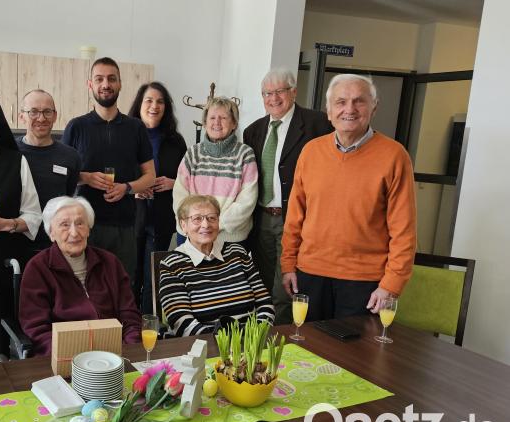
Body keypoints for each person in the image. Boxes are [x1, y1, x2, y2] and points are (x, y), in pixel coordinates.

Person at [281, 74, 417, 320]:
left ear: (374, 107)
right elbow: (295, 217)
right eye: (340, 102)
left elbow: (404, 231)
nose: (349, 109)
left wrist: (391, 284)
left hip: (364, 282)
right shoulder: (311, 152)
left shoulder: (395, 156)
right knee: (306, 354)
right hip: (309, 275)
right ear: (329, 110)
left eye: (359, 101)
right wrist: (288, 264)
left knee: (356, 357)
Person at [243, 68, 334, 325]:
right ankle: (261, 332)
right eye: (267, 93)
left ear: (293, 92)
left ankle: (281, 337)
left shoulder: (319, 124)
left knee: (286, 283)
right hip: (261, 219)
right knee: (261, 281)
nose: (273, 98)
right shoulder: (253, 131)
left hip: (296, 219)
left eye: (279, 91)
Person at [62, 57, 155, 281]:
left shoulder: (136, 128)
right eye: (99, 79)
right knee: (83, 289)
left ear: (120, 84)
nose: (106, 84)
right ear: (90, 84)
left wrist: (127, 187)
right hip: (83, 226)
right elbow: (62, 176)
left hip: (124, 227)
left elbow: (150, 177)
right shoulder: (76, 127)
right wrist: (85, 177)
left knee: (121, 288)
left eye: (111, 79)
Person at [19, 196, 142, 356]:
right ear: (51, 233)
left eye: (80, 223)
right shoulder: (38, 268)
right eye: (64, 225)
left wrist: (129, 349)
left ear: (89, 228)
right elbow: (36, 328)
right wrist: (67, 355)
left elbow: (129, 314)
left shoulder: (110, 263)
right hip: (65, 355)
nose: (74, 232)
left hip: (114, 353)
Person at [158, 195, 274, 337]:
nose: (206, 225)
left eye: (212, 218)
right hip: (203, 347)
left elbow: (265, 303)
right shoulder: (172, 264)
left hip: (251, 343)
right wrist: (226, 342)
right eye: (197, 219)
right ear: (183, 226)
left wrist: (254, 336)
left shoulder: (237, 253)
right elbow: (181, 322)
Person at [127, 81, 187, 314]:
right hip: (131, 217)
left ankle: (147, 330)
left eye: (160, 101)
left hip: (161, 218)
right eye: (149, 100)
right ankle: (127, 330)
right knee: (130, 276)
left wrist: (175, 183)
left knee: (153, 279)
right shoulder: (127, 135)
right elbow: (114, 173)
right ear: (139, 105)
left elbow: (187, 176)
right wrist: (134, 187)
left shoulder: (176, 140)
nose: (154, 106)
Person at [172, 96, 257, 246]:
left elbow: (247, 201)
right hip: (191, 237)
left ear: (234, 124)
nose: (216, 122)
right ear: (205, 123)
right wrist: (197, 225)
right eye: (212, 118)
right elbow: (180, 195)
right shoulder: (193, 153)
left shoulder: (245, 154)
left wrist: (214, 225)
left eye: (223, 117)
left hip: (229, 238)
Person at [17, 89, 81, 250]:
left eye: (47, 112)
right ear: (22, 116)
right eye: (33, 112)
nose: (41, 118)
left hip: (54, 244)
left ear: (55, 116)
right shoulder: (9, 152)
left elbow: (68, 193)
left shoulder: (70, 156)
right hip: (15, 242)